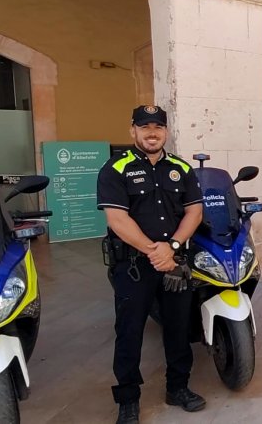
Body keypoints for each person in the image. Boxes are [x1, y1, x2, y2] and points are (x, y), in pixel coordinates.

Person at [97, 105, 206, 424]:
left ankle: (178, 388)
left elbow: (194, 212)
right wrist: (152, 250)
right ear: (133, 130)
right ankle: (128, 400)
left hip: (174, 262)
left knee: (178, 327)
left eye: (158, 126)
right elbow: (117, 219)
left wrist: (170, 248)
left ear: (166, 132)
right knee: (129, 331)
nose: (152, 132)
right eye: (145, 127)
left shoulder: (181, 169)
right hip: (133, 265)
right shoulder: (115, 168)